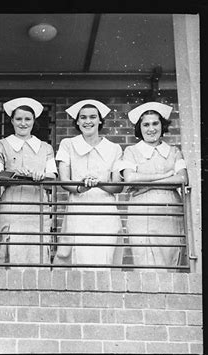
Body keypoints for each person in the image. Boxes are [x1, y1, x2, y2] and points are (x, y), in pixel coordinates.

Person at [54, 99, 124, 268]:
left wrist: (99, 183)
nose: (88, 121)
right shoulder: (68, 144)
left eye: (93, 117)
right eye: (83, 117)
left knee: (104, 257)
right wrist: (81, 187)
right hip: (78, 208)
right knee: (77, 257)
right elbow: (63, 180)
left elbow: (118, 186)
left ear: (100, 120)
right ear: (77, 121)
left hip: (105, 211)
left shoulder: (114, 148)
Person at [0, 97, 57, 264]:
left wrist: (41, 175)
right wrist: (12, 173)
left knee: (36, 248)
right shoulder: (1, 145)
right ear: (12, 121)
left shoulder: (45, 147)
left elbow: (53, 176)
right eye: (18, 119)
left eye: (28, 119)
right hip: (11, 204)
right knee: (8, 245)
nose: (23, 123)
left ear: (34, 121)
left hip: (37, 205)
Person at [121, 101, 188, 269]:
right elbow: (130, 178)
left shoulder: (174, 151)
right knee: (145, 262)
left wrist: (149, 185)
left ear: (162, 125)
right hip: (141, 212)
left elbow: (181, 179)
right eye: (146, 124)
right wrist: (165, 176)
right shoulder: (131, 151)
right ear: (140, 128)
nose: (151, 129)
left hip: (170, 212)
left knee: (171, 260)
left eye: (155, 123)